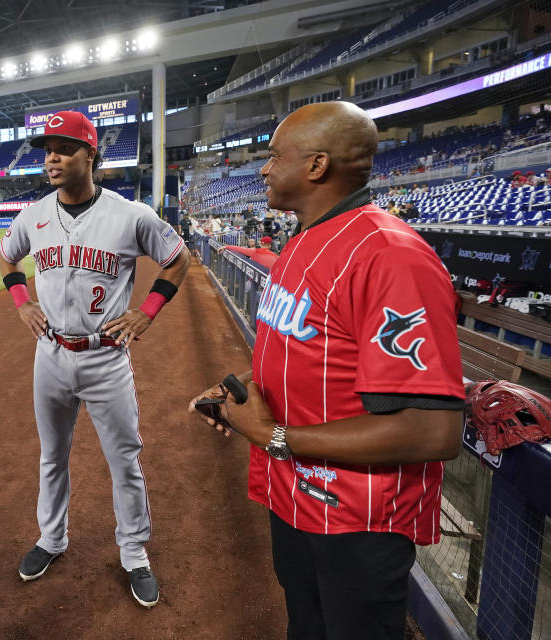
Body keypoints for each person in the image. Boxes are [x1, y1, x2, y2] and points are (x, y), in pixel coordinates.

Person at [189, 101, 464, 640]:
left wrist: (271, 435)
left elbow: (432, 429)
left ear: (316, 166)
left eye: (273, 157)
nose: (263, 169)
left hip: (355, 518)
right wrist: (243, 392)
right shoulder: (304, 240)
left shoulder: (389, 253)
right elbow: (315, 352)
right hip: (296, 496)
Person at [0, 110, 190, 608]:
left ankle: (133, 552)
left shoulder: (131, 215)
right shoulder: (34, 214)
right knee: (51, 457)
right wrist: (22, 302)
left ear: (91, 154)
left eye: (63, 148)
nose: (52, 158)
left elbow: (178, 257)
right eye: (47, 150)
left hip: (106, 359)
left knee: (124, 459)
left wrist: (147, 311)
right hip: (51, 354)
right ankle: (51, 539)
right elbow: (7, 255)